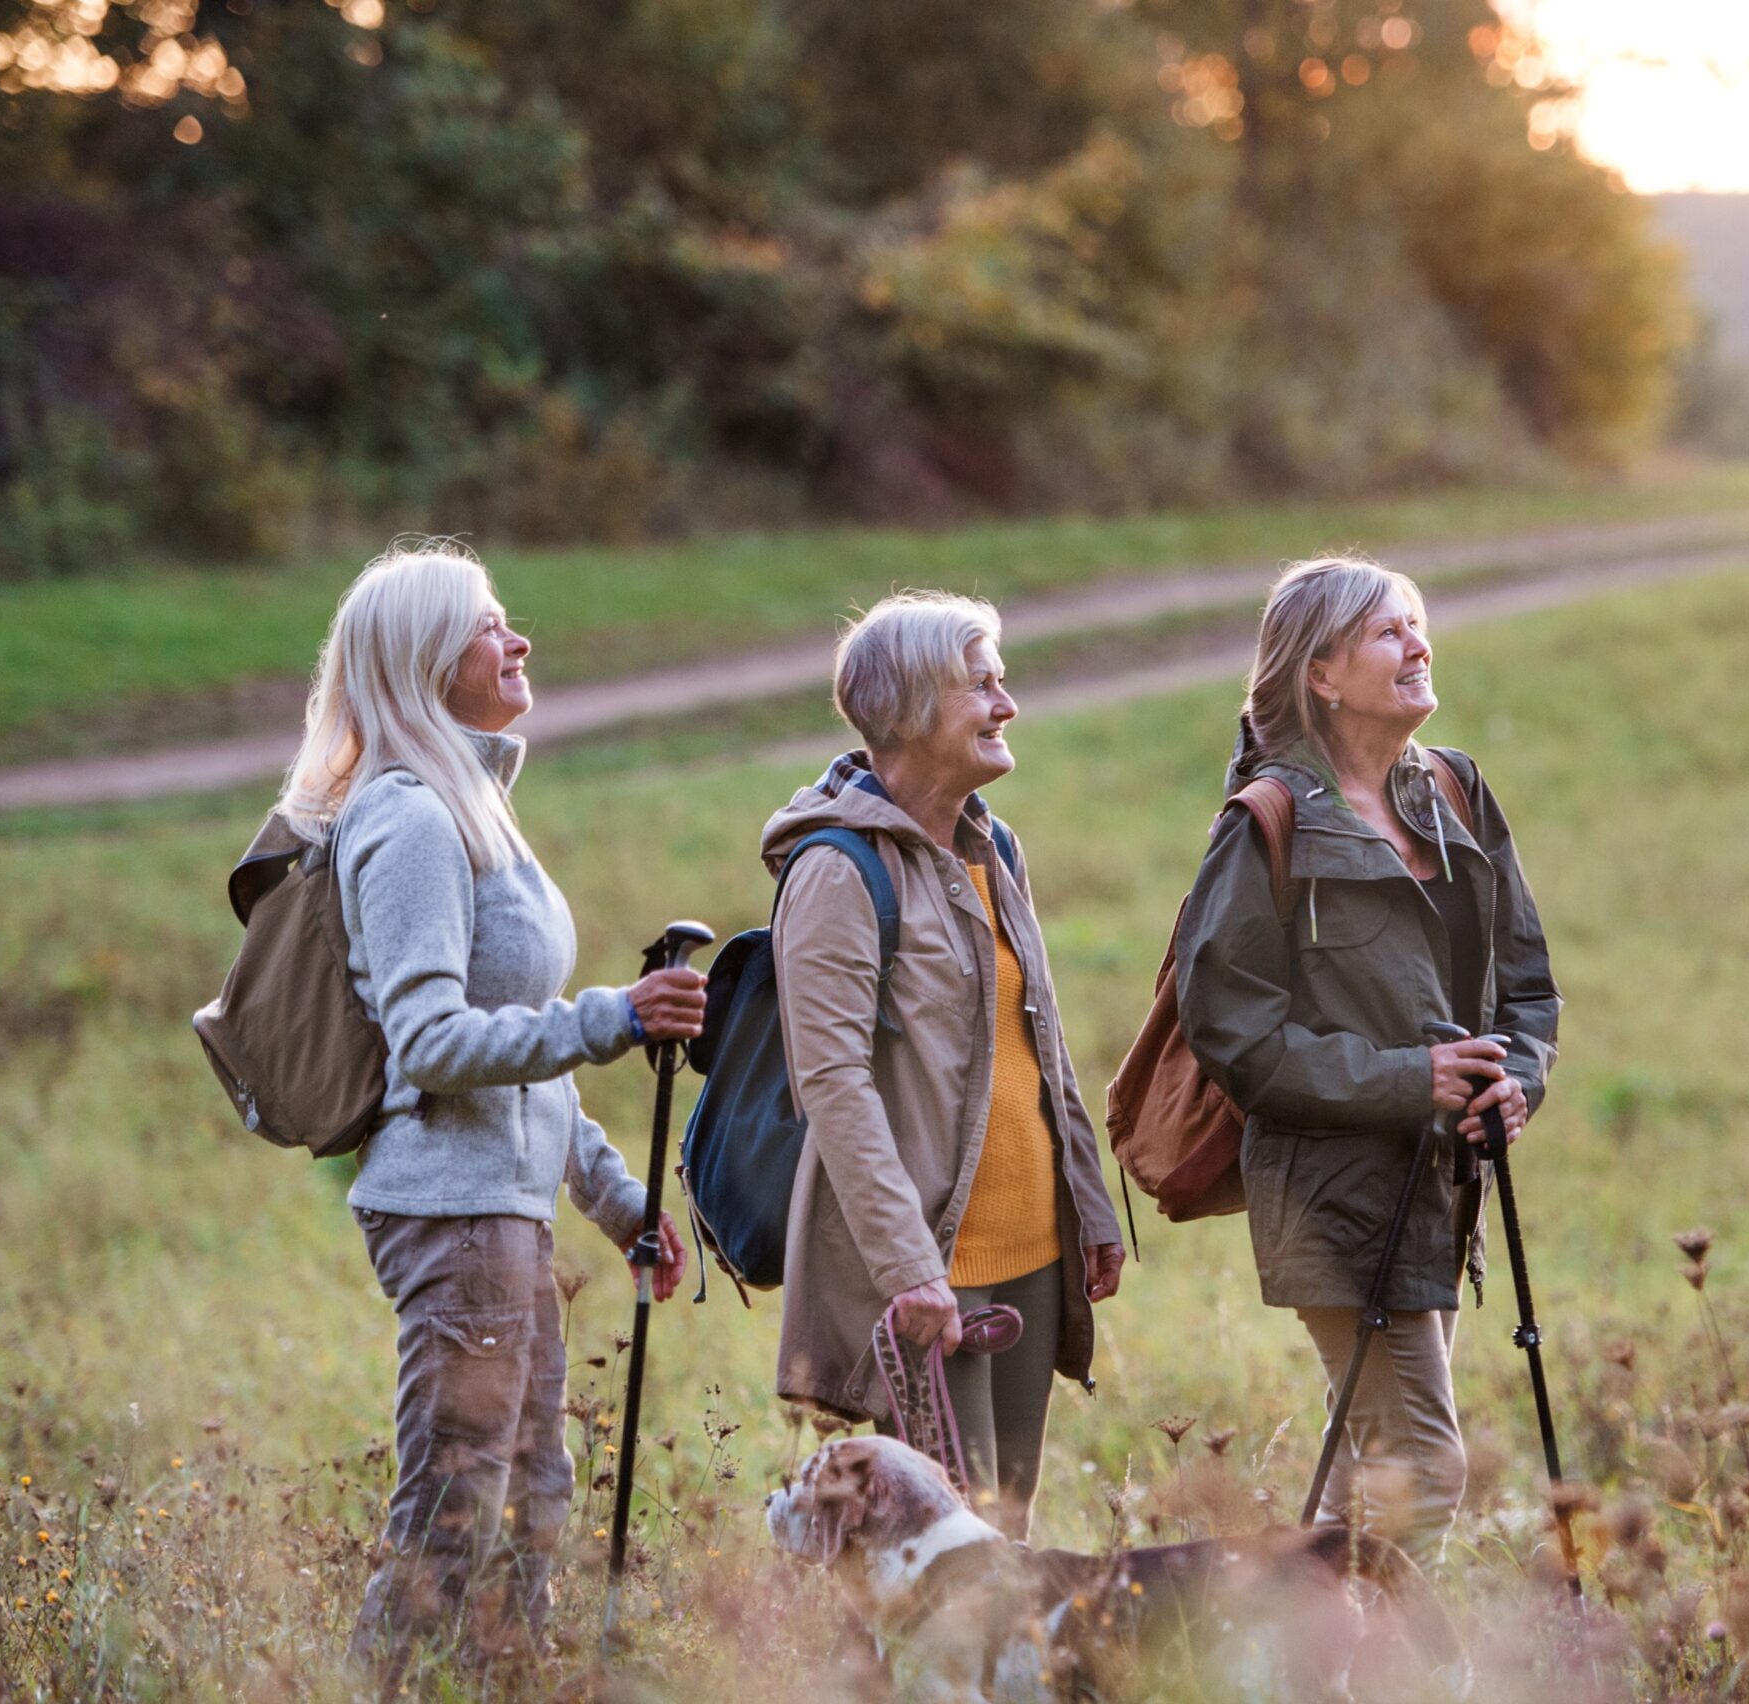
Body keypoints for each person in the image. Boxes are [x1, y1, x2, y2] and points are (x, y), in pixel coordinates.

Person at [273, 538, 708, 1667]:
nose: (517, 640)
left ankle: (504, 1688)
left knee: (529, 1503)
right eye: (487, 625)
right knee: (452, 1514)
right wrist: (611, 1017)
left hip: (503, 1214)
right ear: (424, 657)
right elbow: (431, 1040)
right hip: (454, 1216)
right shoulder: (410, 818)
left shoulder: (472, 803)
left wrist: (617, 1202)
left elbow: (529, 1069)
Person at [1172, 555, 1560, 1563]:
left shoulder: (1453, 790)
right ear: (1322, 673)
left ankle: (1311, 1662)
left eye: (1419, 624)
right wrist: (1407, 1082)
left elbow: (1524, 981)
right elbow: (1233, 1034)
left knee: (1375, 1468)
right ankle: (1400, 1668)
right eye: (1391, 631)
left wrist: (1511, 1081)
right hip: (1331, 1193)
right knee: (1422, 1464)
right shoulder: (1268, 823)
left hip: (1444, 1183)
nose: (1419, 645)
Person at [764, 591, 1126, 1539]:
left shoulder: (993, 845)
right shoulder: (837, 872)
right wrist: (908, 1267)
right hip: (933, 1270)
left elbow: (1039, 1040)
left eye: (1001, 682)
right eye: (982, 685)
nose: (1006, 705)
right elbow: (831, 1085)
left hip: (1034, 1259)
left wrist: (1089, 1206)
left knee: (1008, 1537)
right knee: (936, 1552)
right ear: (913, 709)